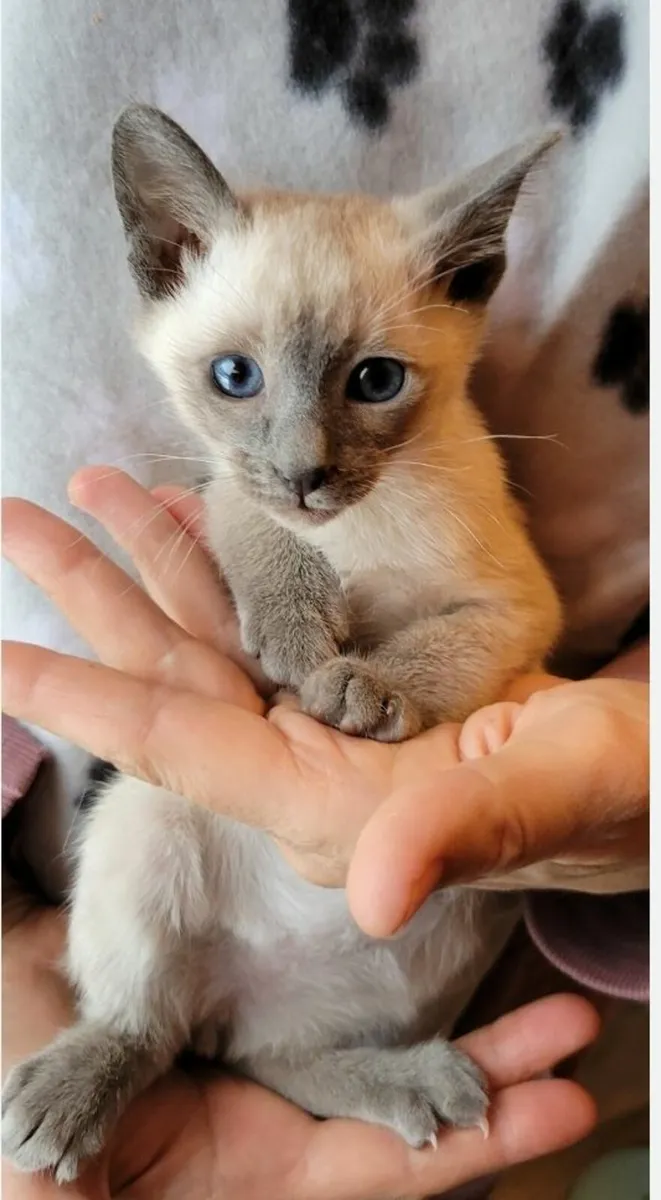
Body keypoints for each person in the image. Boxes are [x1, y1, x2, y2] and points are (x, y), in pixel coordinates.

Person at [1, 466, 648, 1198]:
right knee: (155, 813)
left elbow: (512, 612)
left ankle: (292, 1061)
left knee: (448, 871)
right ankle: (130, 1032)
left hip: (397, 908)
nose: (300, 455)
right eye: (235, 379)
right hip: (192, 878)